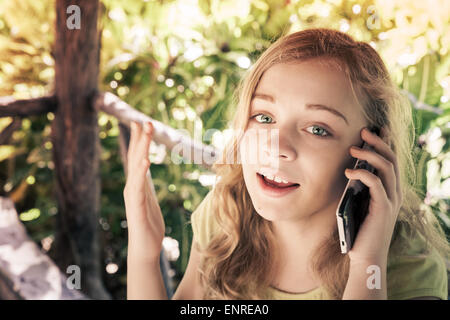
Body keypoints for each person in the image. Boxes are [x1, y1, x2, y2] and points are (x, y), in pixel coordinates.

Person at [124, 28, 449, 300]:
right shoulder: (227, 213)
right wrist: (144, 252)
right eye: (264, 117)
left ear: (369, 153)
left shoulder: (409, 268)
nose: (276, 147)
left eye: (318, 129)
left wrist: (367, 263)